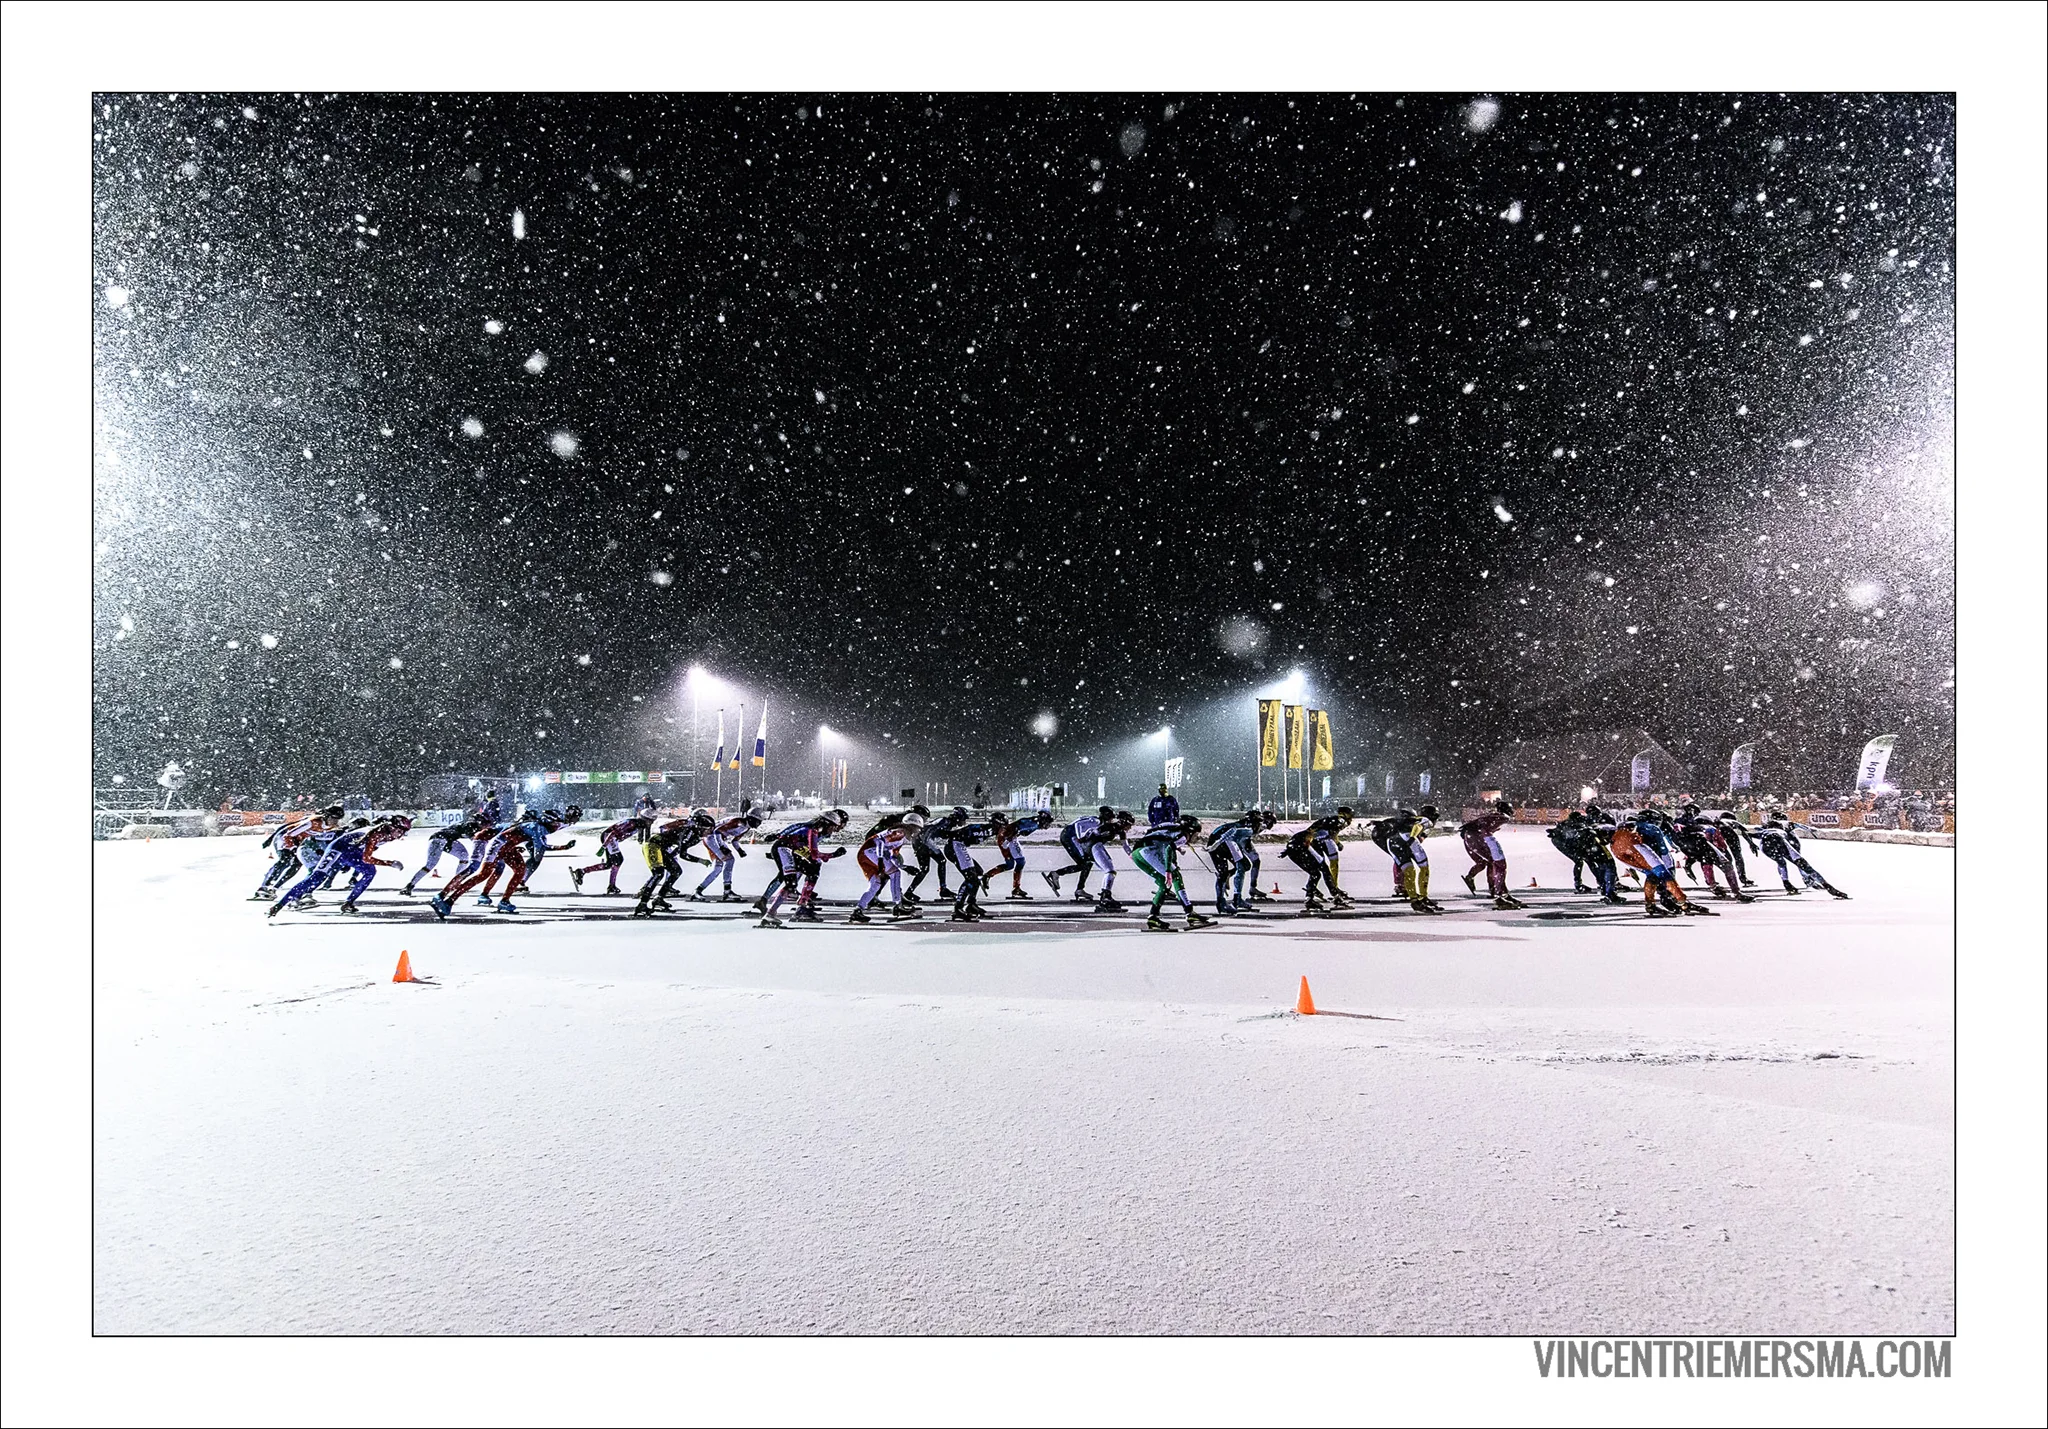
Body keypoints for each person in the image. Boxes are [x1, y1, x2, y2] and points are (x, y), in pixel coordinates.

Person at [758, 809, 850, 928]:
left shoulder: (815, 830)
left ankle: (801, 903)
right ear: (827, 824)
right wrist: (833, 854)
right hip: (784, 848)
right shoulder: (813, 830)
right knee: (792, 882)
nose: (834, 830)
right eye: (833, 827)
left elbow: (811, 853)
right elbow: (814, 853)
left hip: (791, 849)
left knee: (813, 869)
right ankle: (773, 912)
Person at [1130, 814, 1216, 931]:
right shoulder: (1183, 835)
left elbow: (1154, 834)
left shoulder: (1171, 827)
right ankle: (1189, 912)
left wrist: (1175, 856)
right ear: (1190, 831)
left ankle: (1153, 917)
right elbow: (1169, 848)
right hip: (1149, 852)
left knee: (1162, 883)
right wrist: (1168, 871)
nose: (1196, 837)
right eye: (1196, 834)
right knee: (1175, 877)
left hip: (1137, 853)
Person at [632, 810, 715, 917]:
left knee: (676, 871)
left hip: (661, 847)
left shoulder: (694, 835)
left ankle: (659, 899)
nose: (710, 833)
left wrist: (670, 861)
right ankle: (642, 904)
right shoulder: (690, 834)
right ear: (701, 828)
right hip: (653, 845)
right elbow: (683, 854)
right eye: (709, 830)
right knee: (658, 874)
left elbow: (677, 850)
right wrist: (700, 860)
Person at [252, 805, 341, 901]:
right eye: (333, 818)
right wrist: (292, 847)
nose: (335, 821)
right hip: (284, 838)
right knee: (285, 860)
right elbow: (287, 834)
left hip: (298, 841)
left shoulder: (332, 826)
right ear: (326, 816)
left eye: (338, 819)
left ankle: (274, 888)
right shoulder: (312, 822)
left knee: (296, 865)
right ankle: (264, 887)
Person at [850, 811, 924, 923]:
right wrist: (880, 861)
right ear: (911, 826)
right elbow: (880, 841)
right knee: (895, 873)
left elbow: (892, 856)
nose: (917, 833)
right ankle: (898, 905)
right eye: (917, 829)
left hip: (865, 854)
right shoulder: (900, 832)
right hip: (870, 852)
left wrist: (904, 867)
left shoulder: (901, 838)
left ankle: (858, 910)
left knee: (875, 884)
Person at [1756, 813, 1851, 898]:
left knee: (1781, 862)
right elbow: (1800, 826)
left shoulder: (1766, 829)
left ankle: (1788, 884)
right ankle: (1824, 885)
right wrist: (1811, 829)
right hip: (1785, 843)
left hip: (1767, 846)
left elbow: (1751, 833)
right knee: (1802, 864)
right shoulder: (1786, 824)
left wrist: (1751, 842)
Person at [1460, 798, 1526, 910]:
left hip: (1470, 836)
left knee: (1489, 863)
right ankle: (1498, 894)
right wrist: (1488, 839)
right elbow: (1483, 827)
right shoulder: (1502, 817)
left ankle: (1498, 892)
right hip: (1477, 837)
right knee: (1498, 864)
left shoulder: (1495, 815)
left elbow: (1478, 823)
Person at [1204, 809, 1269, 913]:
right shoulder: (1247, 829)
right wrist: (1214, 845)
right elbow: (1230, 833)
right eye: (1259, 823)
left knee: (1244, 866)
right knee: (1225, 872)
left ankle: (1235, 898)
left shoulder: (1247, 826)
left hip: (1224, 842)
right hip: (1220, 842)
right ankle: (1223, 902)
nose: (1260, 827)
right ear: (1255, 823)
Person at [1043, 805, 1114, 900]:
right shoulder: (1096, 821)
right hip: (1069, 835)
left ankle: (1079, 888)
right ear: (1106, 816)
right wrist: (1080, 838)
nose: (1111, 821)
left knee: (1087, 863)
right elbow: (1078, 825)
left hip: (1069, 835)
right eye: (1111, 818)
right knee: (1085, 863)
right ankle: (1057, 874)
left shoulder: (1096, 820)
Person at [691, 810, 763, 901]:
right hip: (711, 837)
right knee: (729, 860)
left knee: (718, 868)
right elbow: (717, 831)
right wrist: (721, 846)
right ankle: (727, 892)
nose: (759, 824)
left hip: (715, 838)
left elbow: (735, 841)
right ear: (751, 818)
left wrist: (739, 850)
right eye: (758, 821)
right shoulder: (738, 822)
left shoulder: (746, 827)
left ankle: (698, 890)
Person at [571, 814, 651, 895]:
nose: (650, 823)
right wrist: (604, 846)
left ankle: (582, 871)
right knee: (618, 860)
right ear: (644, 819)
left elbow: (646, 836)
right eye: (650, 821)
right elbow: (613, 832)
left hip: (612, 839)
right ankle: (611, 886)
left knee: (609, 864)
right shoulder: (631, 823)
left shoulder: (638, 825)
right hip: (609, 837)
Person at [903, 807, 969, 904]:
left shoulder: (948, 823)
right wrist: (923, 844)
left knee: (926, 869)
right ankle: (943, 889)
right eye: (964, 819)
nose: (964, 822)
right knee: (939, 862)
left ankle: (909, 892)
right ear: (958, 817)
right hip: (923, 842)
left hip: (922, 842)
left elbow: (938, 833)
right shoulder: (944, 821)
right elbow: (928, 829)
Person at [985, 807, 1054, 898]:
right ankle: (1016, 889)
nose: (1047, 826)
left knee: (1010, 864)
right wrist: (1008, 840)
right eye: (1048, 823)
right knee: (1020, 861)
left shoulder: (1035, 823)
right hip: (1008, 837)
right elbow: (1017, 828)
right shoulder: (1033, 822)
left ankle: (987, 876)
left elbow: (1023, 832)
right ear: (1043, 819)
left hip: (1005, 836)